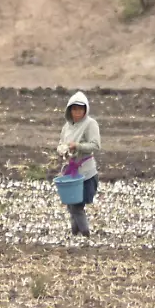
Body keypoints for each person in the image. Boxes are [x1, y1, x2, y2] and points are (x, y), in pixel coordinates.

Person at [56, 91, 101, 236]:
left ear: (85, 110)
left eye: (80, 109)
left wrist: (78, 146)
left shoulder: (90, 124)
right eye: (74, 109)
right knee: (72, 205)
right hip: (70, 171)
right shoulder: (67, 127)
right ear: (69, 110)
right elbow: (61, 143)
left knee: (77, 206)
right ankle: (76, 234)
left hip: (86, 172)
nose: (77, 112)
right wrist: (61, 150)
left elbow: (95, 145)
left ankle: (85, 234)